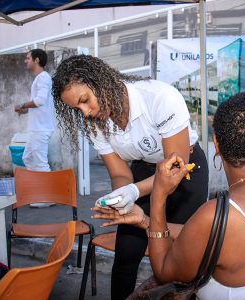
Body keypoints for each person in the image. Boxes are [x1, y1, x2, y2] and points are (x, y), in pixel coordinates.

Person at [92, 92, 245, 300]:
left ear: (216, 145)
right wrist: (143, 221)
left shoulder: (218, 215)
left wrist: (158, 197)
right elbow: (206, 238)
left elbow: (163, 271)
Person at [51, 55, 208, 299]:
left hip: (186, 171)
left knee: (184, 254)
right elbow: (119, 172)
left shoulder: (159, 97)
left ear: (101, 82)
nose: (85, 112)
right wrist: (121, 196)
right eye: (76, 109)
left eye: (85, 100)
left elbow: (175, 169)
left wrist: (134, 192)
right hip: (145, 170)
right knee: (126, 254)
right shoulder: (94, 124)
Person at [14, 49, 55, 208]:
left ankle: (49, 197)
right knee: (28, 159)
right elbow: (37, 105)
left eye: (28, 58)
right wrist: (24, 110)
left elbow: (39, 101)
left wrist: (22, 105)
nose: (26, 61)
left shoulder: (43, 78)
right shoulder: (39, 79)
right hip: (36, 129)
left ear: (36, 60)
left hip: (40, 130)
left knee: (41, 163)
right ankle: (40, 192)